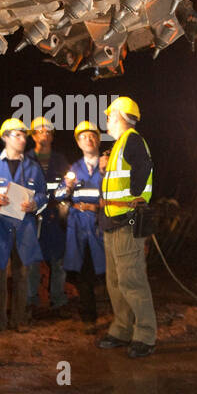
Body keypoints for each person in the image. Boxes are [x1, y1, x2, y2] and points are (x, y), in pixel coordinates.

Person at [98, 96, 156, 357]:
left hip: (126, 222)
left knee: (132, 281)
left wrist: (136, 196)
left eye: (110, 115)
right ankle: (122, 329)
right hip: (112, 222)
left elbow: (144, 166)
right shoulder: (120, 145)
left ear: (121, 115)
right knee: (115, 282)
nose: (107, 120)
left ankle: (145, 335)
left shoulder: (132, 140)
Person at [0, 117, 46, 333]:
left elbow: (44, 196)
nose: (23, 139)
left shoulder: (33, 168)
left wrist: (35, 204)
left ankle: (19, 320)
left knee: (22, 274)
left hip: (24, 228)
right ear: (5, 137)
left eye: (24, 135)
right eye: (18, 134)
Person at [56, 121, 106, 331]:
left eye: (92, 136)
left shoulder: (108, 165)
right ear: (78, 142)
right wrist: (66, 188)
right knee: (84, 273)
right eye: (83, 137)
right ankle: (89, 318)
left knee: (108, 271)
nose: (88, 139)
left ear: (98, 139)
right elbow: (58, 196)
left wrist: (97, 207)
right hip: (78, 226)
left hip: (101, 224)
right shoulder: (73, 169)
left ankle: (120, 316)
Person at [27, 115, 69, 316]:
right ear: (33, 136)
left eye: (48, 131)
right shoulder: (25, 160)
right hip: (32, 216)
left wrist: (64, 194)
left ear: (52, 136)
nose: (44, 134)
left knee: (58, 260)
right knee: (33, 261)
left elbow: (67, 188)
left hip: (55, 216)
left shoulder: (60, 160)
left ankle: (58, 301)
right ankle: (30, 303)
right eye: (40, 131)